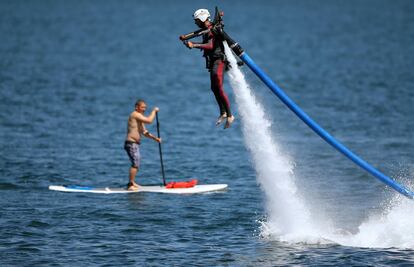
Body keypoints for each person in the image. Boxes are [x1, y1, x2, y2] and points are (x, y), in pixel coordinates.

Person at [182, 8, 235, 129]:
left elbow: (210, 46)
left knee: (219, 86)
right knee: (214, 88)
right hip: (213, 62)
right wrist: (187, 41)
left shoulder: (211, 30)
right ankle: (223, 112)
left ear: (202, 19)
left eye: (197, 21)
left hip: (220, 60)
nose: (196, 23)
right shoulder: (206, 30)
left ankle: (230, 116)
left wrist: (194, 45)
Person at [124, 99, 161, 190]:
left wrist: (155, 138)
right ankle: (130, 185)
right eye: (142, 107)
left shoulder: (139, 118)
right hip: (131, 143)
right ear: (137, 107)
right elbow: (149, 121)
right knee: (135, 164)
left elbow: (144, 132)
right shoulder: (135, 114)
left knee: (137, 163)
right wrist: (154, 111)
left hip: (135, 144)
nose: (144, 109)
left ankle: (132, 182)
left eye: (145, 107)